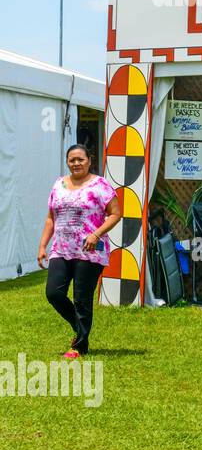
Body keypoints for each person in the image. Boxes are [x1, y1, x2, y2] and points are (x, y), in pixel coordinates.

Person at [37, 144, 121, 360]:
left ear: (89, 160)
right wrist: (42, 245)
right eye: (72, 159)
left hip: (89, 251)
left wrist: (96, 234)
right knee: (54, 293)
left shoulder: (100, 185)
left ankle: (80, 345)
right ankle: (79, 325)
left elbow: (115, 214)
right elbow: (50, 218)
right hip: (61, 249)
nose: (76, 163)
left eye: (80, 159)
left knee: (82, 298)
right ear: (67, 162)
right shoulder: (59, 184)